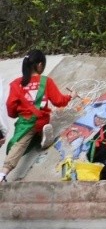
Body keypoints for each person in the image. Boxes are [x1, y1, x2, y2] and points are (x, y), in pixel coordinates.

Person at [2, 50, 73, 183]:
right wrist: (70, 96)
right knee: (41, 126)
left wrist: (16, 114)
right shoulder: (46, 81)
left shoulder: (16, 84)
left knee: (18, 146)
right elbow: (59, 101)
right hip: (42, 119)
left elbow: (10, 106)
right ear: (40, 65)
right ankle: (43, 136)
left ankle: (3, 174)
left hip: (25, 122)